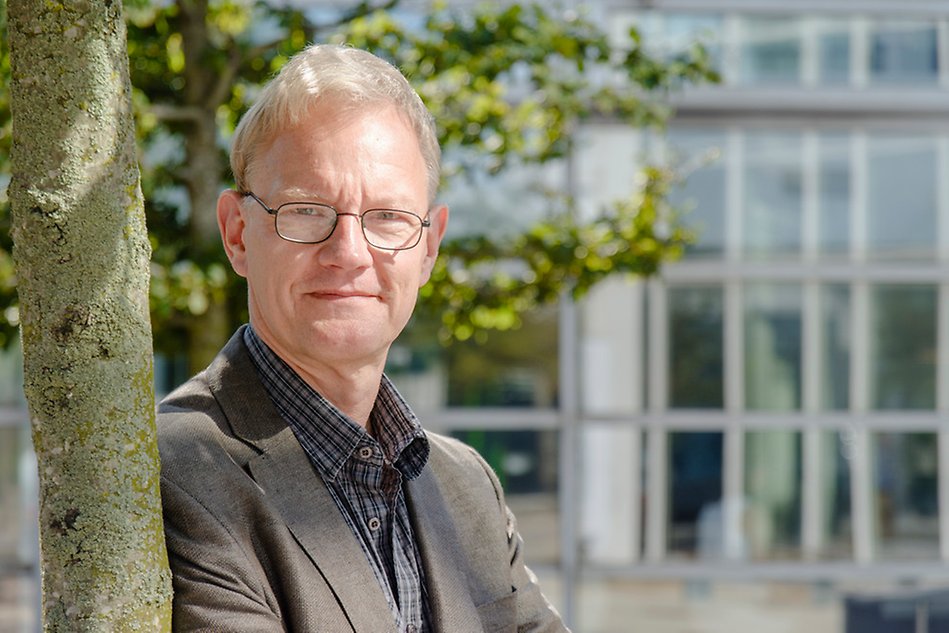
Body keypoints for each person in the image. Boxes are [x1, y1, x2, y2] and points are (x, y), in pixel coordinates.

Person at [157, 44, 569, 632]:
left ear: (428, 247)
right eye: (305, 210)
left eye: (387, 217)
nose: (349, 253)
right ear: (238, 234)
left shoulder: (467, 486)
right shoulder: (175, 474)